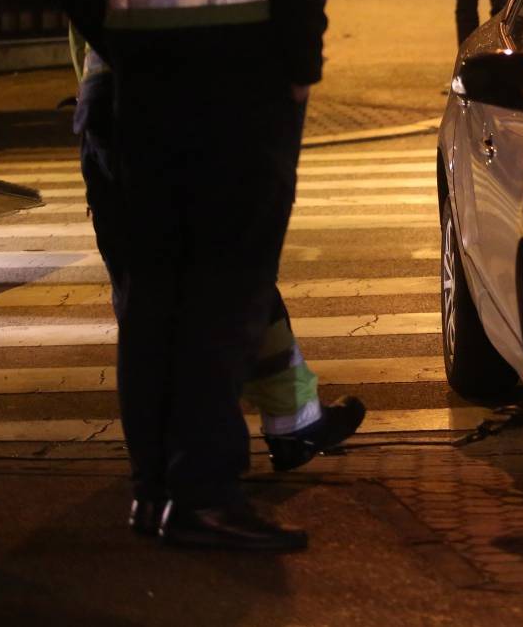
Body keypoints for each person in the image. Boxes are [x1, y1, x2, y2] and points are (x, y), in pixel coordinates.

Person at [52, 0, 329, 552]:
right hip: (243, 101)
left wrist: (124, 48)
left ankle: (151, 488)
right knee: (226, 295)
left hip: (139, 99)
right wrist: (299, 66)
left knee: (153, 295)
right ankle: (207, 492)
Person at [72, 47, 365, 477]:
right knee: (226, 274)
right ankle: (206, 475)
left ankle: (176, 465)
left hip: (116, 105)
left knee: (166, 292)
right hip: (178, 107)